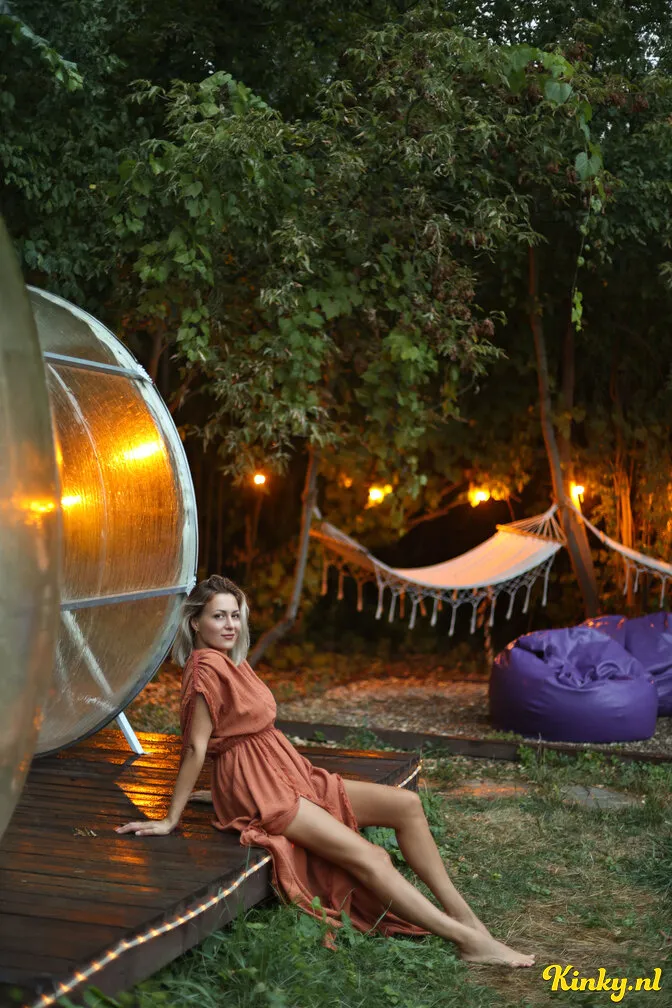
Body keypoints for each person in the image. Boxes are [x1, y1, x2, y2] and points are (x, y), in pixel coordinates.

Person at [116, 575, 535, 966]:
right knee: (371, 856)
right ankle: (467, 941)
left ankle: (465, 916)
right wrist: (171, 817)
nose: (230, 625)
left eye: (235, 615)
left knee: (406, 805)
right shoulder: (205, 669)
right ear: (195, 622)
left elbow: (231, 732)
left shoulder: (229, 660)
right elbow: (196, 746)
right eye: (218, 616)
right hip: (264, 788)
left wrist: (218, 792)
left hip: (284, 771)